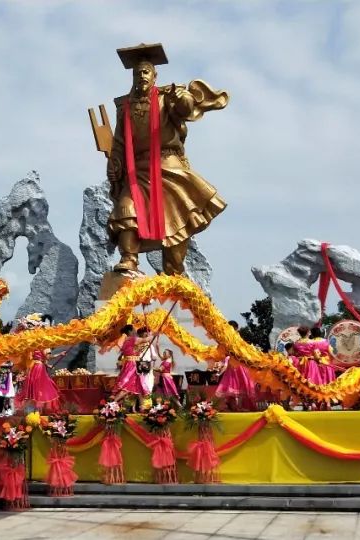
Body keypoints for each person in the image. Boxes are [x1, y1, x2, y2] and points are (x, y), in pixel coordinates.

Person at [104, 43, 229, 276]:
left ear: (154, 76)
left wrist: (182, 98)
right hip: (136, 169)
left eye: (145, 72)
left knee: (176, 222)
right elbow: (119, 141)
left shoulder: (165, 98)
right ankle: (129, 259)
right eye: (137, 72)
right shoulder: (125, 107)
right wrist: (115, 163)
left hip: (167, 165)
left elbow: (184, 111)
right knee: (126, 208)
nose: (141, 76)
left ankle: (173, 274)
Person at [215, 321, 255, 411]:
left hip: (239, 365)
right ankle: (234, 406)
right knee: (234, 386)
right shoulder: (227, 339)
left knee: (239, 386)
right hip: (233, 365)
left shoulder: (236, 339)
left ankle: (238, 406)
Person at [113, 326, 152, 402]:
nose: (135, 330)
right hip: (133, 365)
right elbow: (145, 340)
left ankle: (142, 407)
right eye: (134, 329)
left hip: (131, 364)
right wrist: (153, 335)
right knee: (127, 386)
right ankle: (113, 403)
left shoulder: (125, 341)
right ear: (130, 331)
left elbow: (135, 350)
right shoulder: (132, 339)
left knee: (139, 385)